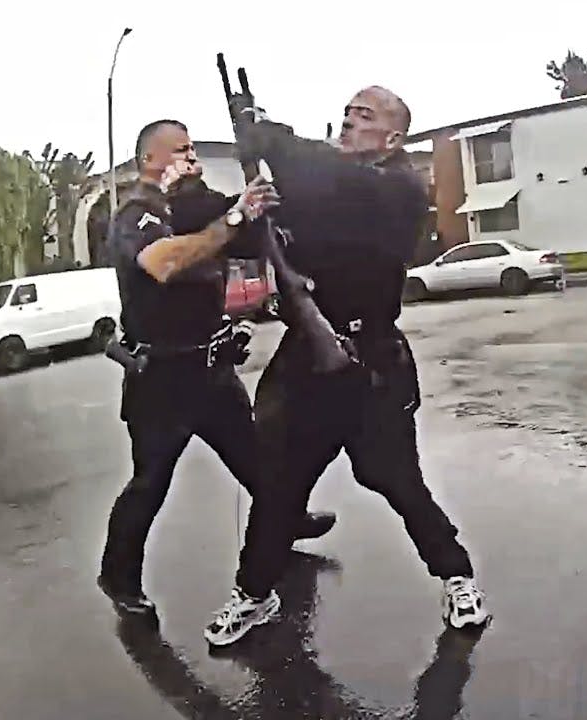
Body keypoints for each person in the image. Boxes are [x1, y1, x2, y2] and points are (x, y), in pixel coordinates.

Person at [203, 88, 491, 646]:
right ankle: (254, 594)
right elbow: (275, 222)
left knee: (397, 480)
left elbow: (338, 187)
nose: (348, 122)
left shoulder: (400, 187)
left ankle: (457, 577)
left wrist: (274, 136)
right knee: (279, 488)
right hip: (307, 357)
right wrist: (251, 204)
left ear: (393, 138)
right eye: (348, 113)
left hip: (371, 358)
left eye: (364, 117)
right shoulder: (324, 182)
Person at [98, 119, 336, 616]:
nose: (193, 160)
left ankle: (285, 524)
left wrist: (261, 209)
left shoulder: (192, 207)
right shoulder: (135, 215)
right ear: (150, 160)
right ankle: (118, 577)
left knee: (260, 460)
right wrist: (233, 219)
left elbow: (247, 240)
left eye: (193, 150)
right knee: (150, 482)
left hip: (212, 368)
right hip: (161, 378)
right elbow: (164, 262)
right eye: (181, 151)